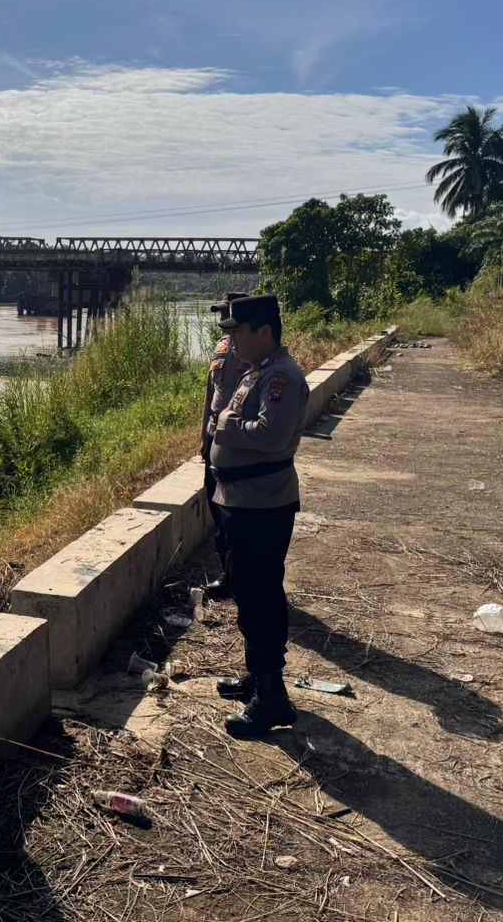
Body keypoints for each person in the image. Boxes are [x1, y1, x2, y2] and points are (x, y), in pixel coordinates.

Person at [207, 293, 309, 737]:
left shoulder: (282, 376)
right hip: (241, 500)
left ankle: (272, 698)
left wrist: (225, 424)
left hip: (262, 504)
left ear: (263, 331)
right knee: (249, 595)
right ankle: (258, 679)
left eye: (238, 332)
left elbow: (271, 435)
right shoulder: (259, 372)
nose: (231, 341)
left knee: (261, 598)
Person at [200, 292, 250, 600]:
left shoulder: (254, 352)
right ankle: (228, 573)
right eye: (220, 313)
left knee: (236, 517)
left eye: (226, 314)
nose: (222, 320)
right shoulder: (221, 347)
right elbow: (211, 390)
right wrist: (203, 433)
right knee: (216, 511)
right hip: (215, 439)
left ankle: (240, 577)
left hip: (237, 444)